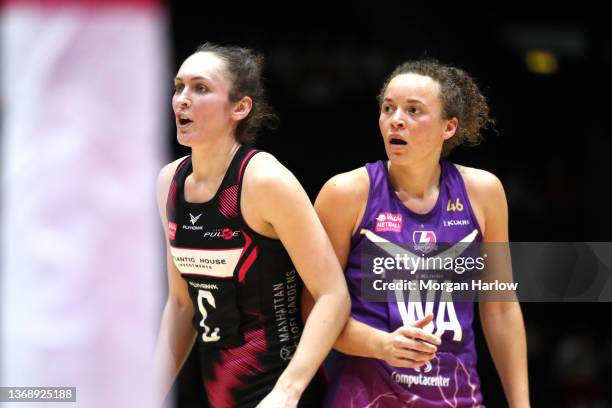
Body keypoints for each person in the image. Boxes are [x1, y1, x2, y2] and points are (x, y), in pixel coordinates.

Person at [311, 60, 530, 407]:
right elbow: (313, 310)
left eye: (414, 110)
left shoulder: (484, 192)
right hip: (364, 396)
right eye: (388, 108)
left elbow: (500, 310)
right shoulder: (345, 193)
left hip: (457, 396)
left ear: (448, 127)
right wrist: (380, 344)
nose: (396, 119)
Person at [154, 43, 350, 408]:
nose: (182, 99)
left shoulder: (264, 181)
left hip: (284, 392)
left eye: (200, 88)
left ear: (240, 108)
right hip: (221, 393)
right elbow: (182, 305)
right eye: (178, 86)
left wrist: (287, 392)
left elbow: (333, 296)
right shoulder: (170, 182)